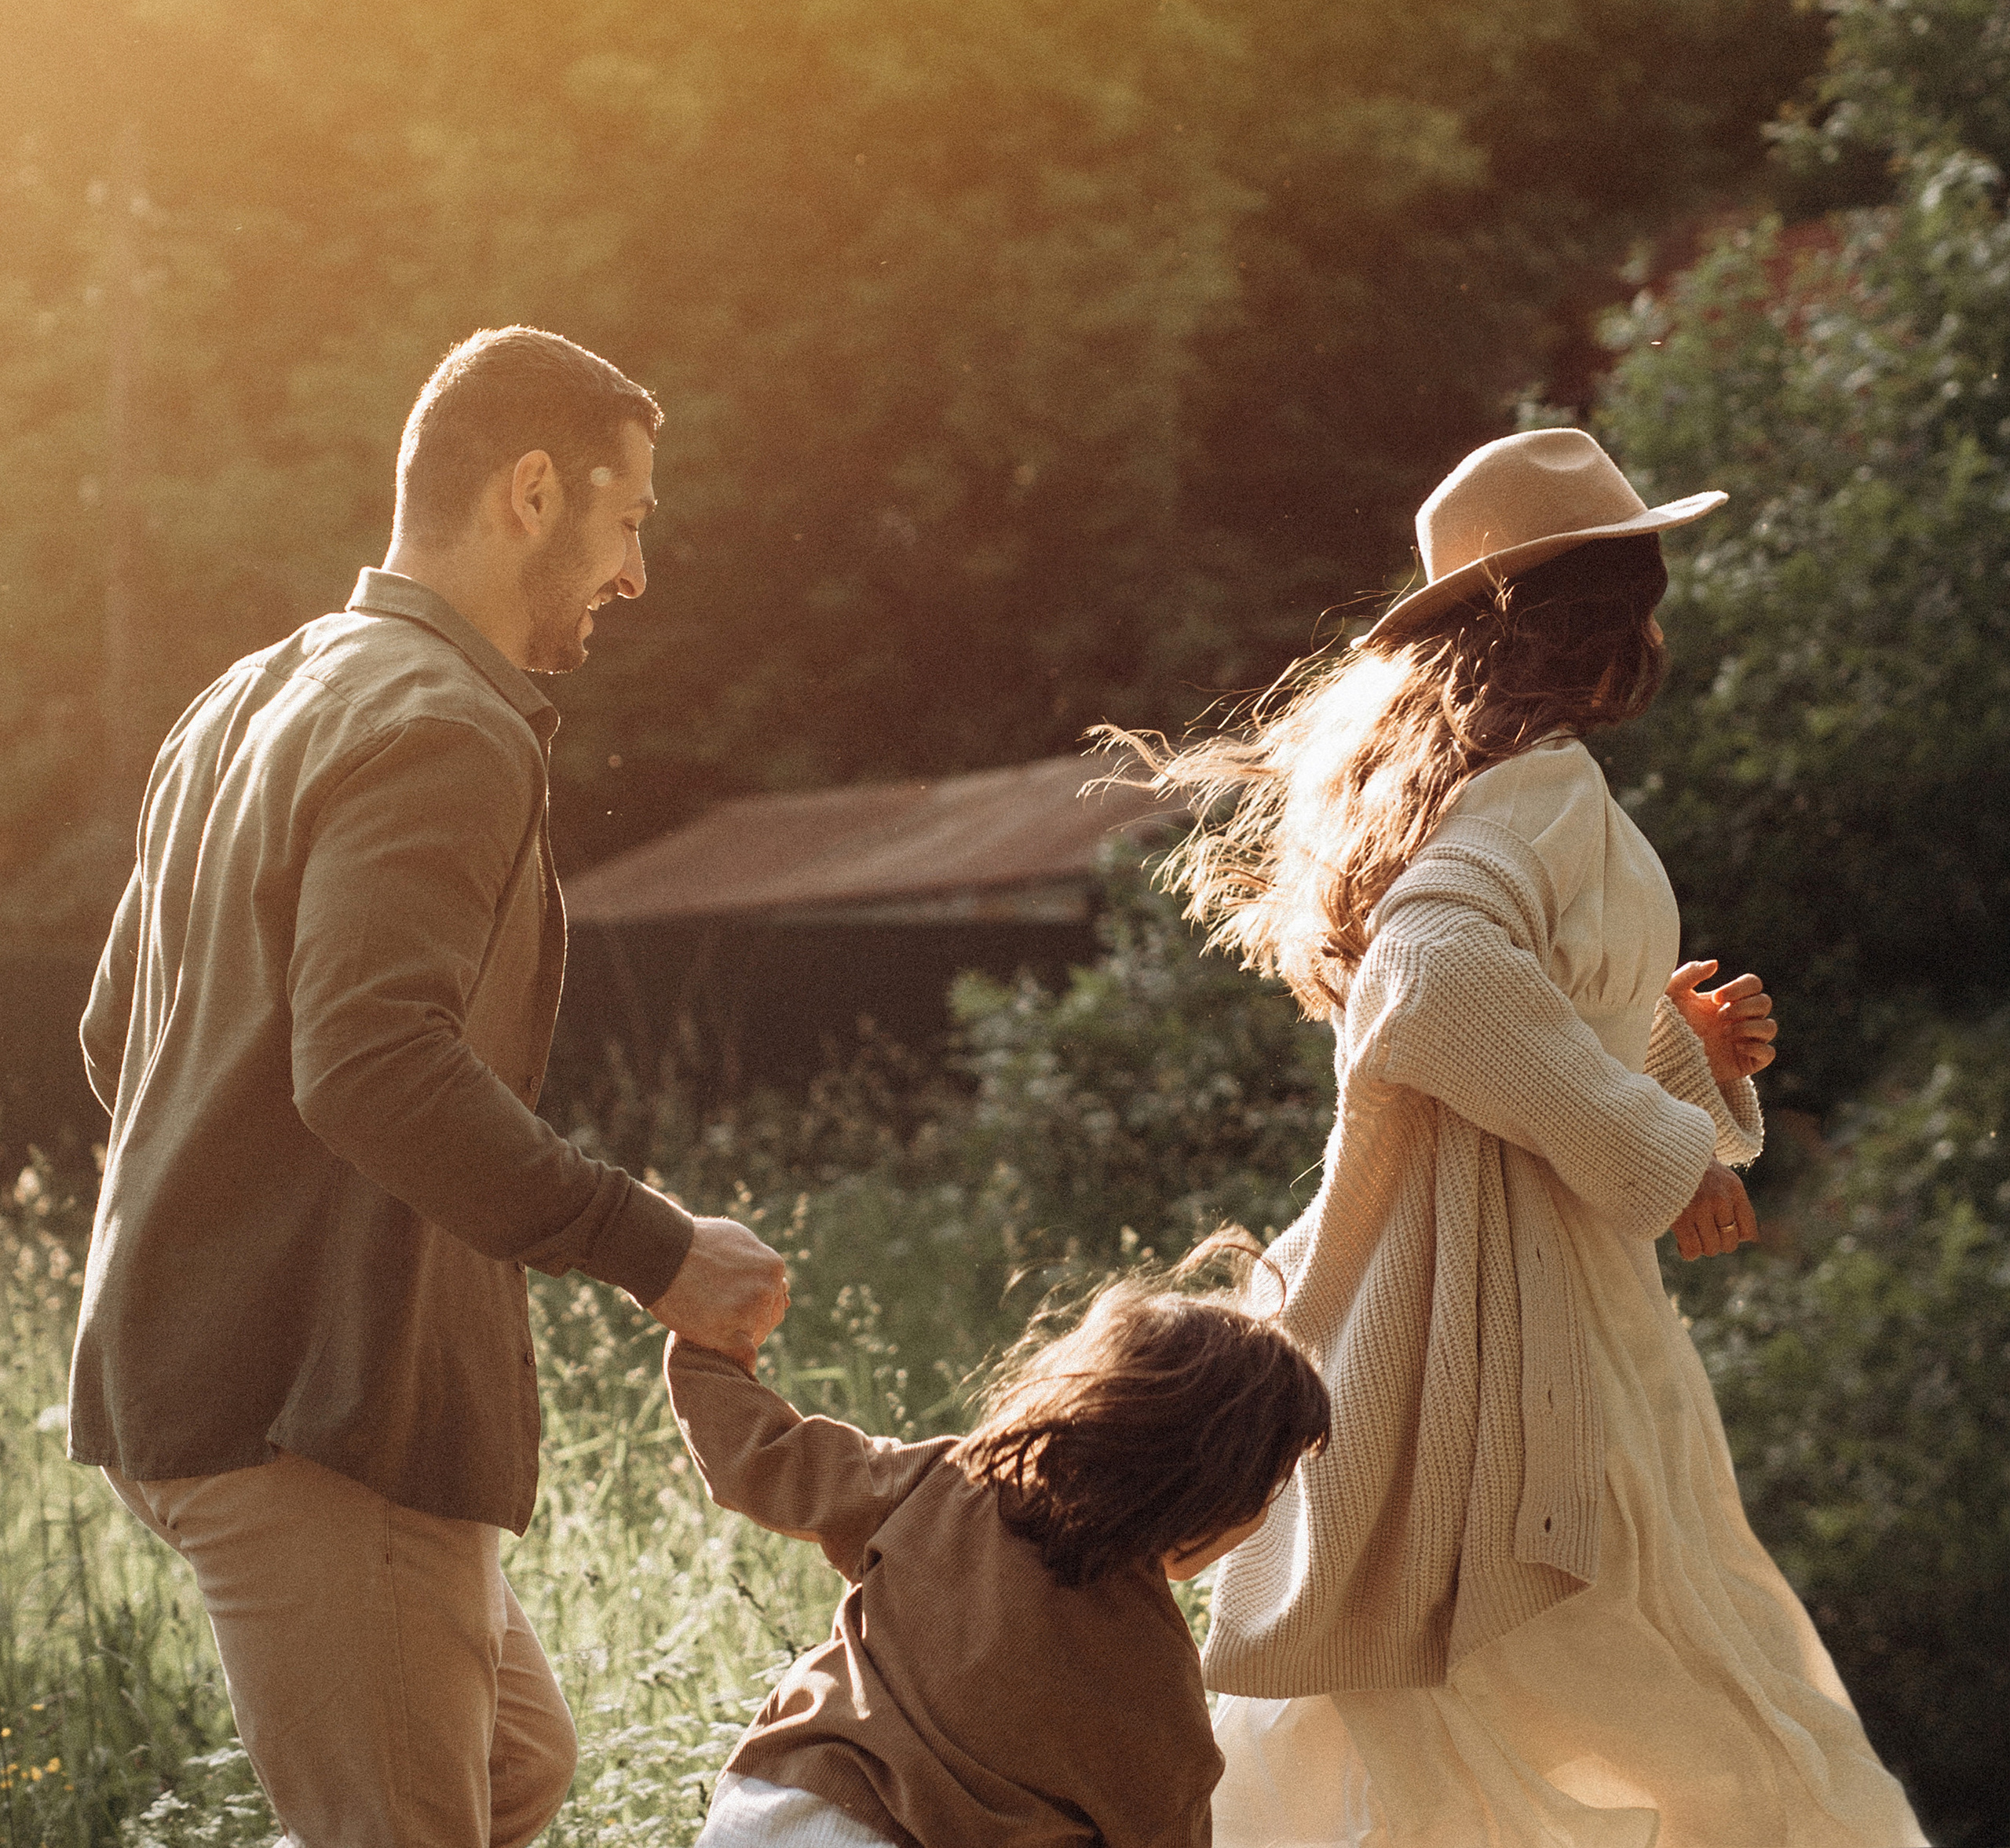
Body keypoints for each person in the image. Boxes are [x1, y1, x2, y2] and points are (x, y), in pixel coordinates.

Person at [1109, 427, 1926, 1848]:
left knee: (1419, 1754)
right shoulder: (1534, 793)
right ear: (1590, 623)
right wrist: (1659, 1152)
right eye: (1644, 597)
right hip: (1511, 1345)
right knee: (1740, 1757)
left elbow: (1513, 1021)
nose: (1659, 630)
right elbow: (1438, 986)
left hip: (1495, 1334)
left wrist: (1676, 1051)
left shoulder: (1487, 792)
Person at [68, 325, 791, 1848]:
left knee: (512, 1770)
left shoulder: (252, 696)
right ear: (532, 490)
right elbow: (376, 1065)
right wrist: (659, 1250)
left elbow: (115, 1030)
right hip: (312, 1406)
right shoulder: (444, 728)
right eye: (629, 518)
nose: (636, 572)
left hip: (186, 1375)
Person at [664, 1241, 1332, 1848]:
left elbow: (763, 1458)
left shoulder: (948, 1481)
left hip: (783, 1808)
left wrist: (705, 1343)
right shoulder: (1159, 1688)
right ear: (1221, 1495)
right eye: (1271, 1486)